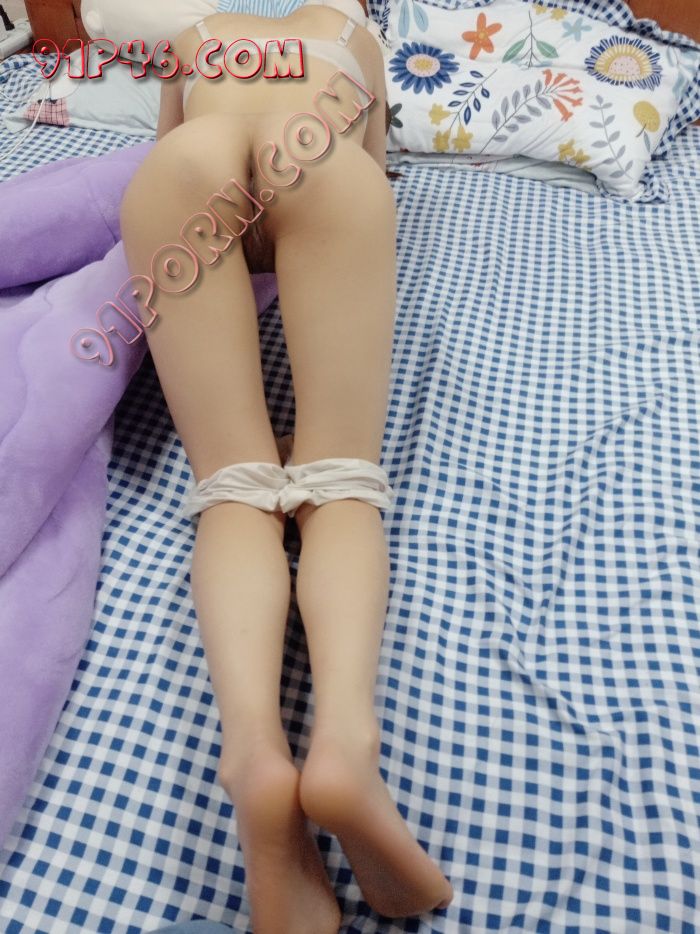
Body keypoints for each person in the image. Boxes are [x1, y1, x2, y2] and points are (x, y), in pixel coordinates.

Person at [119, 1, 454, 931]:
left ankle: (253, 757)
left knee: (232, 484)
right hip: (319, 154)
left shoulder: (194, 37)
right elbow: (376, 165)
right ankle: (344, 744)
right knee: (339, 478)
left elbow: (171, 144)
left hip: (188, 167)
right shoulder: (355, 37)